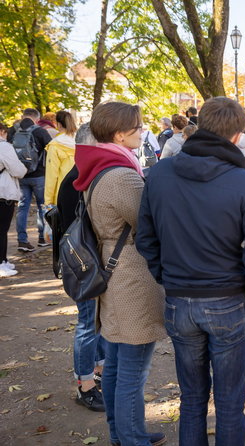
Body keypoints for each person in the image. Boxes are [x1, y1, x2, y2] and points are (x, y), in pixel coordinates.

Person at [136, 96, 245, 446]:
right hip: (225, 300)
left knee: (193, 397)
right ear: (238, 135)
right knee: (228, 402)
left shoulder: (162, 173)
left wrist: (168, 277)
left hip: (183, 299)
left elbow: (147, 238)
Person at [73, 101, 166, 446]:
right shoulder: (122, 175)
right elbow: (149, 224)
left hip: (114, 272)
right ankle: (130, 437)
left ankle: (125, 431)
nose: (142, 132)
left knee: (115, 364)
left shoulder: (102, 167)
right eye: (138, 127)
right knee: (131, 367)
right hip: (130, 276)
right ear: (118, 132)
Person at [56, 123, 106, 411]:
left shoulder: (78, 175)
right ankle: (85, 384)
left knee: (94, 322)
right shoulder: (79, 178)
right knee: (88, 324)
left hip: (86, 264)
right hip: (84, 265)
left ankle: (96, 372)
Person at [13, 108, 52, 252]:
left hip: (21, 175)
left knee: (22, 207)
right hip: (39, 175)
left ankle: (22, 241)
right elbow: (50, 150)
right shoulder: (40, 131)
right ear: (36, 118)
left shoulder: (13, 131)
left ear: (23, 116)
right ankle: (43, 238)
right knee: (42, 207)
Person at [0, 122, 27, 277]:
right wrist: (24, 168)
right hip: (3, 194)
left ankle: (3, 260)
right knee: (2, 230)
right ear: (2, 131)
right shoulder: (4, 147)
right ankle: (1, 264)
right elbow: (18, 170)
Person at [44, 110, 77, 207]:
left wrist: (48, 200)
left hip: (62, 191)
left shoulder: (55, 145)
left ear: (58, 124)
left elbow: (52, 174)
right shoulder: (80, 140)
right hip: (80, 190)